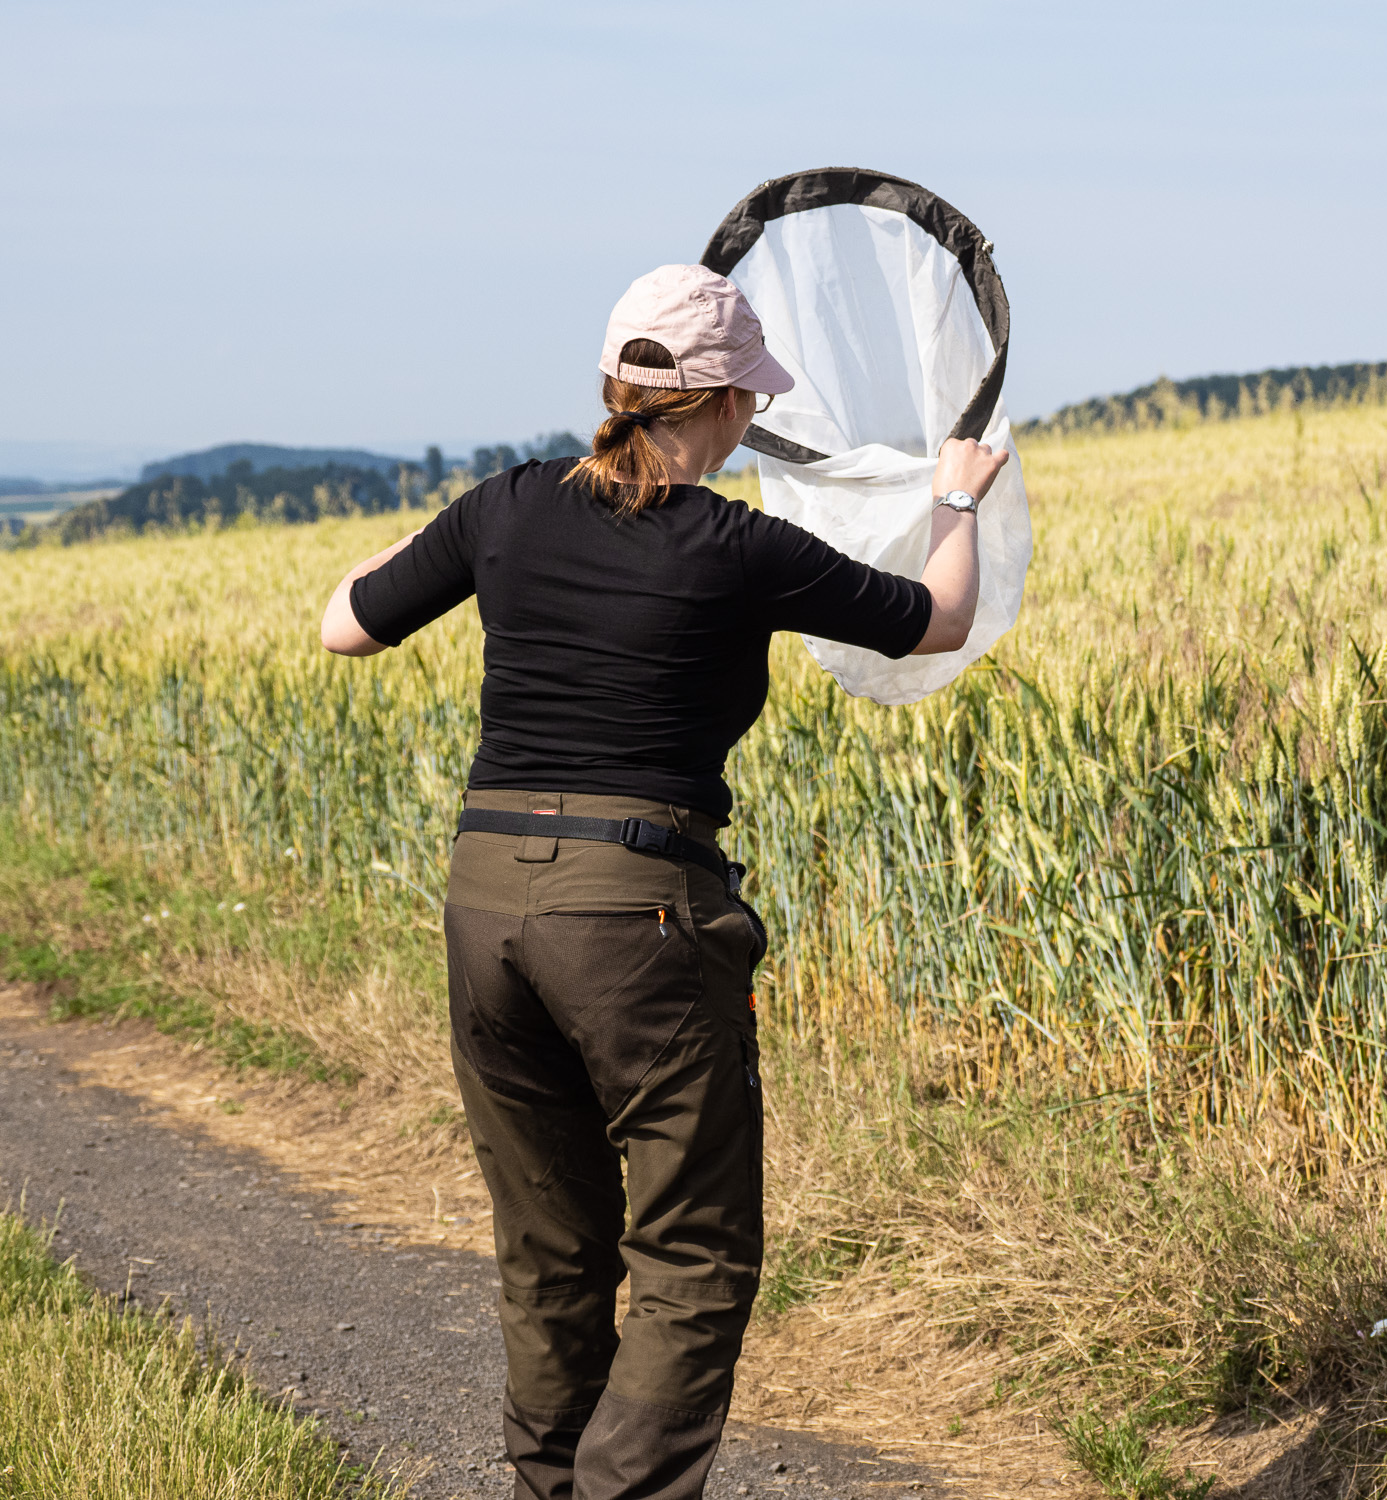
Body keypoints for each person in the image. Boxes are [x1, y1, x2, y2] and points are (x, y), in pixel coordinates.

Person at [319, 263, 1010, 1500]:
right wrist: (953, 502)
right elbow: (936, 621)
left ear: (613, 390)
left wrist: (439, 541)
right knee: (691, 1257)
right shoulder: (732, 543)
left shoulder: (508, 506)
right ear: (727, 403)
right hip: (635, 908)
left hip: (484, 902)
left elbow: (345, 625)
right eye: (748, 399)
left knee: (548, 1246)